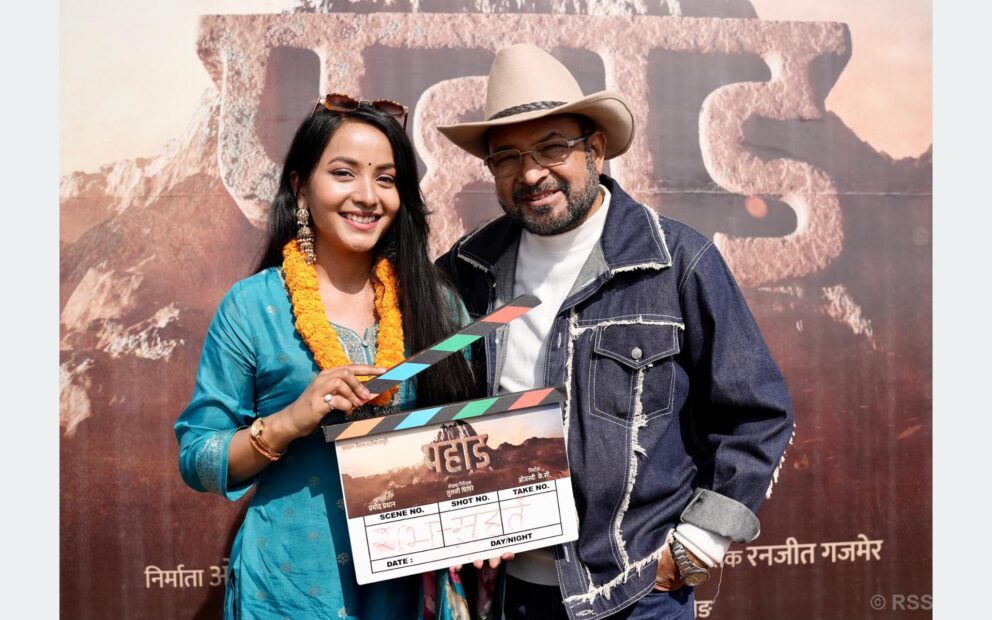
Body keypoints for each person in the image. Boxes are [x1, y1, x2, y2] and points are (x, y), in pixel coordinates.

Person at [435, 44, 795, 620]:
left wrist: (700, 544)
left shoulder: (676, 262)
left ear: (596, 149)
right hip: (509, 594)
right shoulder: (466, 270)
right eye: (507, 158)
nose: (531, 173)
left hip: (638, 589)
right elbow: (437, 408)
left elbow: (757, 413)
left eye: (552, 147)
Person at [175, 95, 479, 619]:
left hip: (409, 592)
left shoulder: (437, 304)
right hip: (289, 587)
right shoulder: (253, 307)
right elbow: (198, 460)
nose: (367, 196)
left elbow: (474, 447)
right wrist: (289, 421)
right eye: (344, 173)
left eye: (386, 179)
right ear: (300, 187)